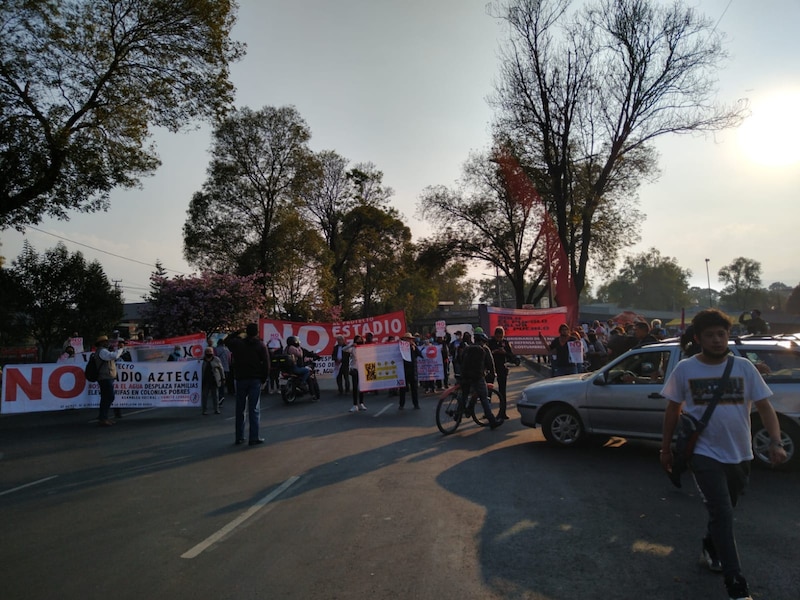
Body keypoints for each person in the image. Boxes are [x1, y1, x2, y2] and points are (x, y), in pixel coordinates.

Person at [660, 309, 786, 600]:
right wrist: (665, 449)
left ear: (728, 336)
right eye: (710, 335)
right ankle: (736, 583)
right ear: (698, 338)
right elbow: (672, 411)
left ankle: (709, 543)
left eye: (721, 334)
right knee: (723, 513)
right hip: (703, 454)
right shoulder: (686, 370)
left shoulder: (744, 367)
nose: (717, 340)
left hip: (741, 454)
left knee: (724, 511)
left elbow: (766, 408)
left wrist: (776, 441)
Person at [228, 323, 269, 446]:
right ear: (256, 332)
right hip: (255, 379)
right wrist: (264, 379)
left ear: (246, 332)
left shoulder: (238, 344)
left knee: (240, 409)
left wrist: (236, 332)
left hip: (240, 378)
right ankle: (253, 437)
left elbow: (226, 341)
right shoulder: (260, 345)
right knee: (254, 409)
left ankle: (239, 437)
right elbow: (266, 364)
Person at [459, 331, 503, 429]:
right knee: (484, 398)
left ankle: (458, 415)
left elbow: (460, 359)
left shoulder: (467, 348)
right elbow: (491, 364)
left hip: (465, 375)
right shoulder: (485, 349)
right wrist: (493, 373)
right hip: (477, 377)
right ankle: (492, 421)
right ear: (484, 340)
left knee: (464, 395)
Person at [487, 326, 519, 420]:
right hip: (491, 368)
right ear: (495, 335)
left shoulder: (505, 343)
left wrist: (504, 352)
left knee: (502, 391)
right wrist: (494, 352)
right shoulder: (490, 342)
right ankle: (487, 411)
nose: (499, 339)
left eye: (501, 337)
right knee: (488, 391)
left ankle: (503, 412)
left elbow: (511, 356)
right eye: (497, 337)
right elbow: (485, 354)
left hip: (502, 367)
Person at [93, 335, 125, 427]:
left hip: (106, 377)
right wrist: (120, 349)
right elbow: (113, 356)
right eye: (105, 341)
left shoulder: (102, 351)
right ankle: (103, 418)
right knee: (109, 397)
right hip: (105, 377)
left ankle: (103, 417)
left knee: (105, 398)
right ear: (101, 343)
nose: (107, 343)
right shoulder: (102, 351)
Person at [398, 332, 421, 409]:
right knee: (402, 389)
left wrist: (415, 347)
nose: (408, 340)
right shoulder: (400, 347)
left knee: (414, 389)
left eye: (410, 339)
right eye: (407, 339)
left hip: (413, 371)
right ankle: (401, 404)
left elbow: (420, 355)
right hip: (404, 370)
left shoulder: (413, 347)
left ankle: (416, 404)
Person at [200, 346, 224, 415]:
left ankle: (216, 409)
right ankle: (204, 410)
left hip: (214, 380)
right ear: (205, 353)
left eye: (210, 351)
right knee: (204, 396)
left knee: (215, 396)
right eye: (207, 352)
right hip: (205, 381)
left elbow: (221, 369)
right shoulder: (202, 360)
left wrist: (223, 378)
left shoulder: (216, 359)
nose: (209, 353)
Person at [347, 335, 367, 412]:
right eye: (357, 340)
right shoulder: (353, 348)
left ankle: (361, 403)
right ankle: (355, 405)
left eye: (360, 339)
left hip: (362, 369)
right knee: (355, 387)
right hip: (355, 369)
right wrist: (351, 345)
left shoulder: (364, 348)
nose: (359, 341)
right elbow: (344, 349)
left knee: (361, 387)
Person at [214, 338, 232, 404]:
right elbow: (229, 360)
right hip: (226, 368)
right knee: (222, 383)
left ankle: (218, 397)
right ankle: (221, 396)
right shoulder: (227, 350)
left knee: (217, 383)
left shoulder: (215, 349)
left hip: (217, 369)